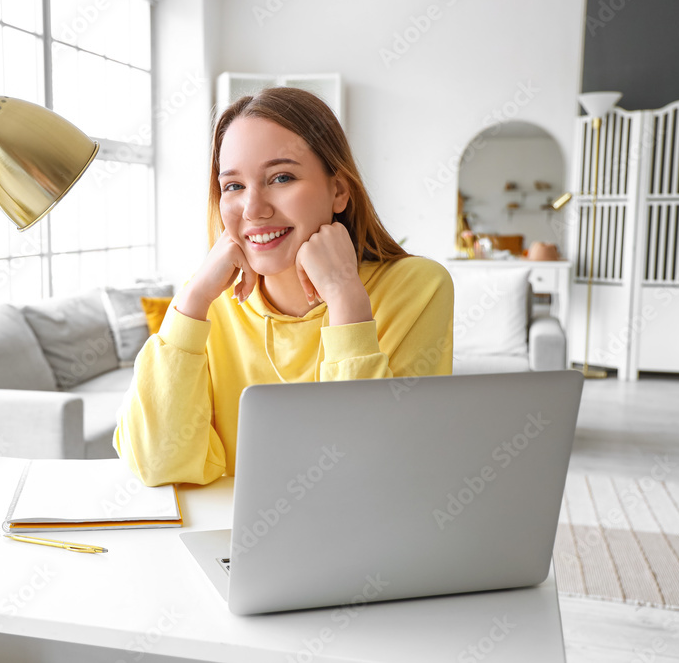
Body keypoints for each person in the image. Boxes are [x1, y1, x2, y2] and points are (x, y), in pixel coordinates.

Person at [114, 87, 453, 486]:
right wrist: (191, 300)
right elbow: (158, 466)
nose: (253, 209)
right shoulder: (209, 303)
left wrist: (346, 299)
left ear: (339, 191)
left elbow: (369, 476)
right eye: (233, 186)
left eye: (281, 177)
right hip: (231, 539)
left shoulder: (418, 288)